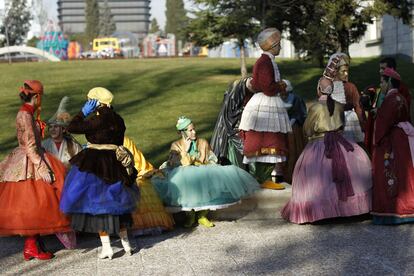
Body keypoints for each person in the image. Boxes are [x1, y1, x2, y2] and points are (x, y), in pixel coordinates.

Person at [59, 87, 139, 259]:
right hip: (116, 162)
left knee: (98, 205)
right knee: (118, 203)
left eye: (90, 100)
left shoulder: (98, 119)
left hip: (96, 162)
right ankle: (126, 244)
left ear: (95, 101)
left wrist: (82, 112)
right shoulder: (119, 119)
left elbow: (73, 127)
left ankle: (107, 248)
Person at [281, 76, 372, 224]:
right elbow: (342, 124)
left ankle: (321, 212)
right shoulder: (339, 106)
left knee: (314, 174)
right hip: (340, 141)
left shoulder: (315, 108)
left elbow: (308, 129)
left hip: (319, 143)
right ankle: (349, 209)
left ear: (318, 90)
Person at [0, 80, 71, 260]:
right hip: (32, 160)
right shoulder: (25, 115)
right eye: (41, 97)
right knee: (38, 202)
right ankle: (32, 246)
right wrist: (42, 168)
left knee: (34, 205)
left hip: (28, 157)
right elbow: (30, 146)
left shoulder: (27, 113)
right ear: (37, 97)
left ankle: (31, 246)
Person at [152, 116, 259, 228]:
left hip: (203, 168)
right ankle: (190, 215)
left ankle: (202, 216)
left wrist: (205, 163)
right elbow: (179, 163)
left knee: (211, 181)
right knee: (184, 184)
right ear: (183, 132)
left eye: (194, 129)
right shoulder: (176, 145)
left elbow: (212, 159)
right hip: (183, 171)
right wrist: (186, 149)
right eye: (190, 130)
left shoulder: (202, 142)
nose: (194, 132)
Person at [238, 28, 291, 190]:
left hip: (267, 101)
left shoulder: (266, 61)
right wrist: (283, 85)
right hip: (265, 103)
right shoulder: (265, 62)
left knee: (271, 138)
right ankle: (262, 178)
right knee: (266, 137)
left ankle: (267, 176)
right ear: (272, 45)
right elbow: (267, 87)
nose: (280, 47)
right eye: (279, 44)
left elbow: (257, 83)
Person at [371, 68, 414, 224]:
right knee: (404, 172)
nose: (380, 85)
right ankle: (408, 208)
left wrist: (377, 139)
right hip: (402, 141)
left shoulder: (390, 100)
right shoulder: (401, 98)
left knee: (389, 171)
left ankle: (391, 211)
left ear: (389, 82)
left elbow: (383, 123)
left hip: (391, 141)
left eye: (382, 82)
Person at [124, 136, 175, 236]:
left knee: (141, 185)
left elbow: (137, 161)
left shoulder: (124, 141)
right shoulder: (97, 143)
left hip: (129, 173)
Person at [364, 57, 412, 154]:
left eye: (383, 68)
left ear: (392, 69)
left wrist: (381, 112)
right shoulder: (381, 86)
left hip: (391, 132)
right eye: (380, 68)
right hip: (379, 128)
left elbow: (401, 111)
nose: (380, 71)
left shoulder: (401, 89)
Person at [42, 96, 82, 168]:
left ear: (63, 129)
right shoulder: (43, 145)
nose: (52, 129)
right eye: (50, 127)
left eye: (56, 127)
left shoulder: (74, 146)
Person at [281, 79, 307, 183]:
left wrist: (292, 122)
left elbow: (301, 113)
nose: (282, 94)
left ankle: (297, 175)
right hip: (282, 129)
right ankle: (285, 175)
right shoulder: (277, 99)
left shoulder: (296, 99)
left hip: (295, 129)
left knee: (295, 151)